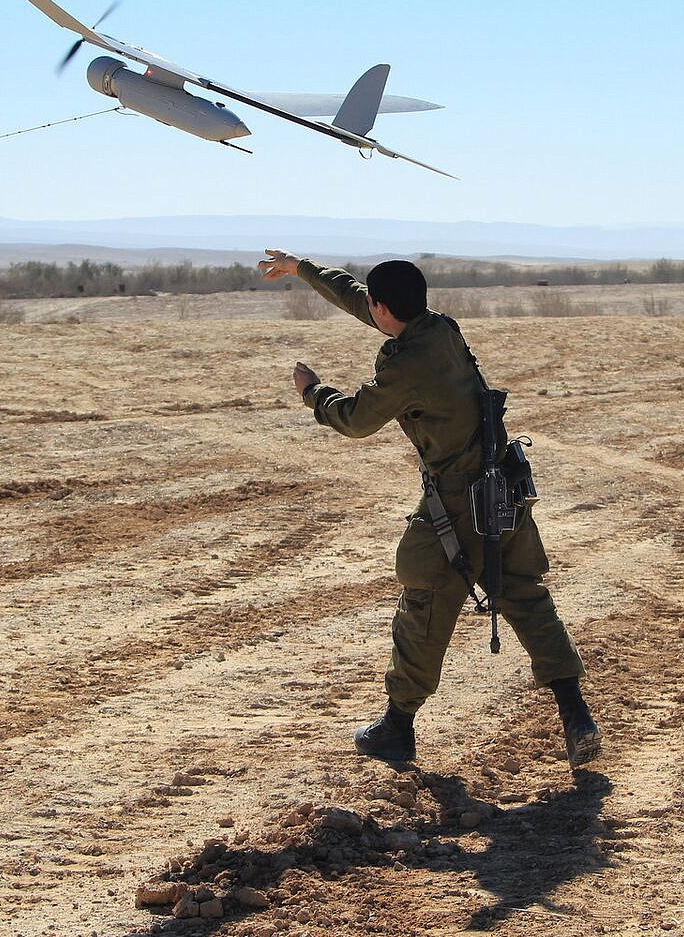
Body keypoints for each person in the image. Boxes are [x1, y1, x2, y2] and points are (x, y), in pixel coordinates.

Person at [257, 249, 600, 767]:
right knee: (526, 597)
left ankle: (397, 726)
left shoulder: (408, 363)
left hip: (458, 501)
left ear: (384, 308)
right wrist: (303, 270)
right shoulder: (437, 328)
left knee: (424, 600)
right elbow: (363, 301)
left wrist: (314, 393)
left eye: (373, 306)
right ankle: (577, 716)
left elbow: (355, 419)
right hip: (501, 484)